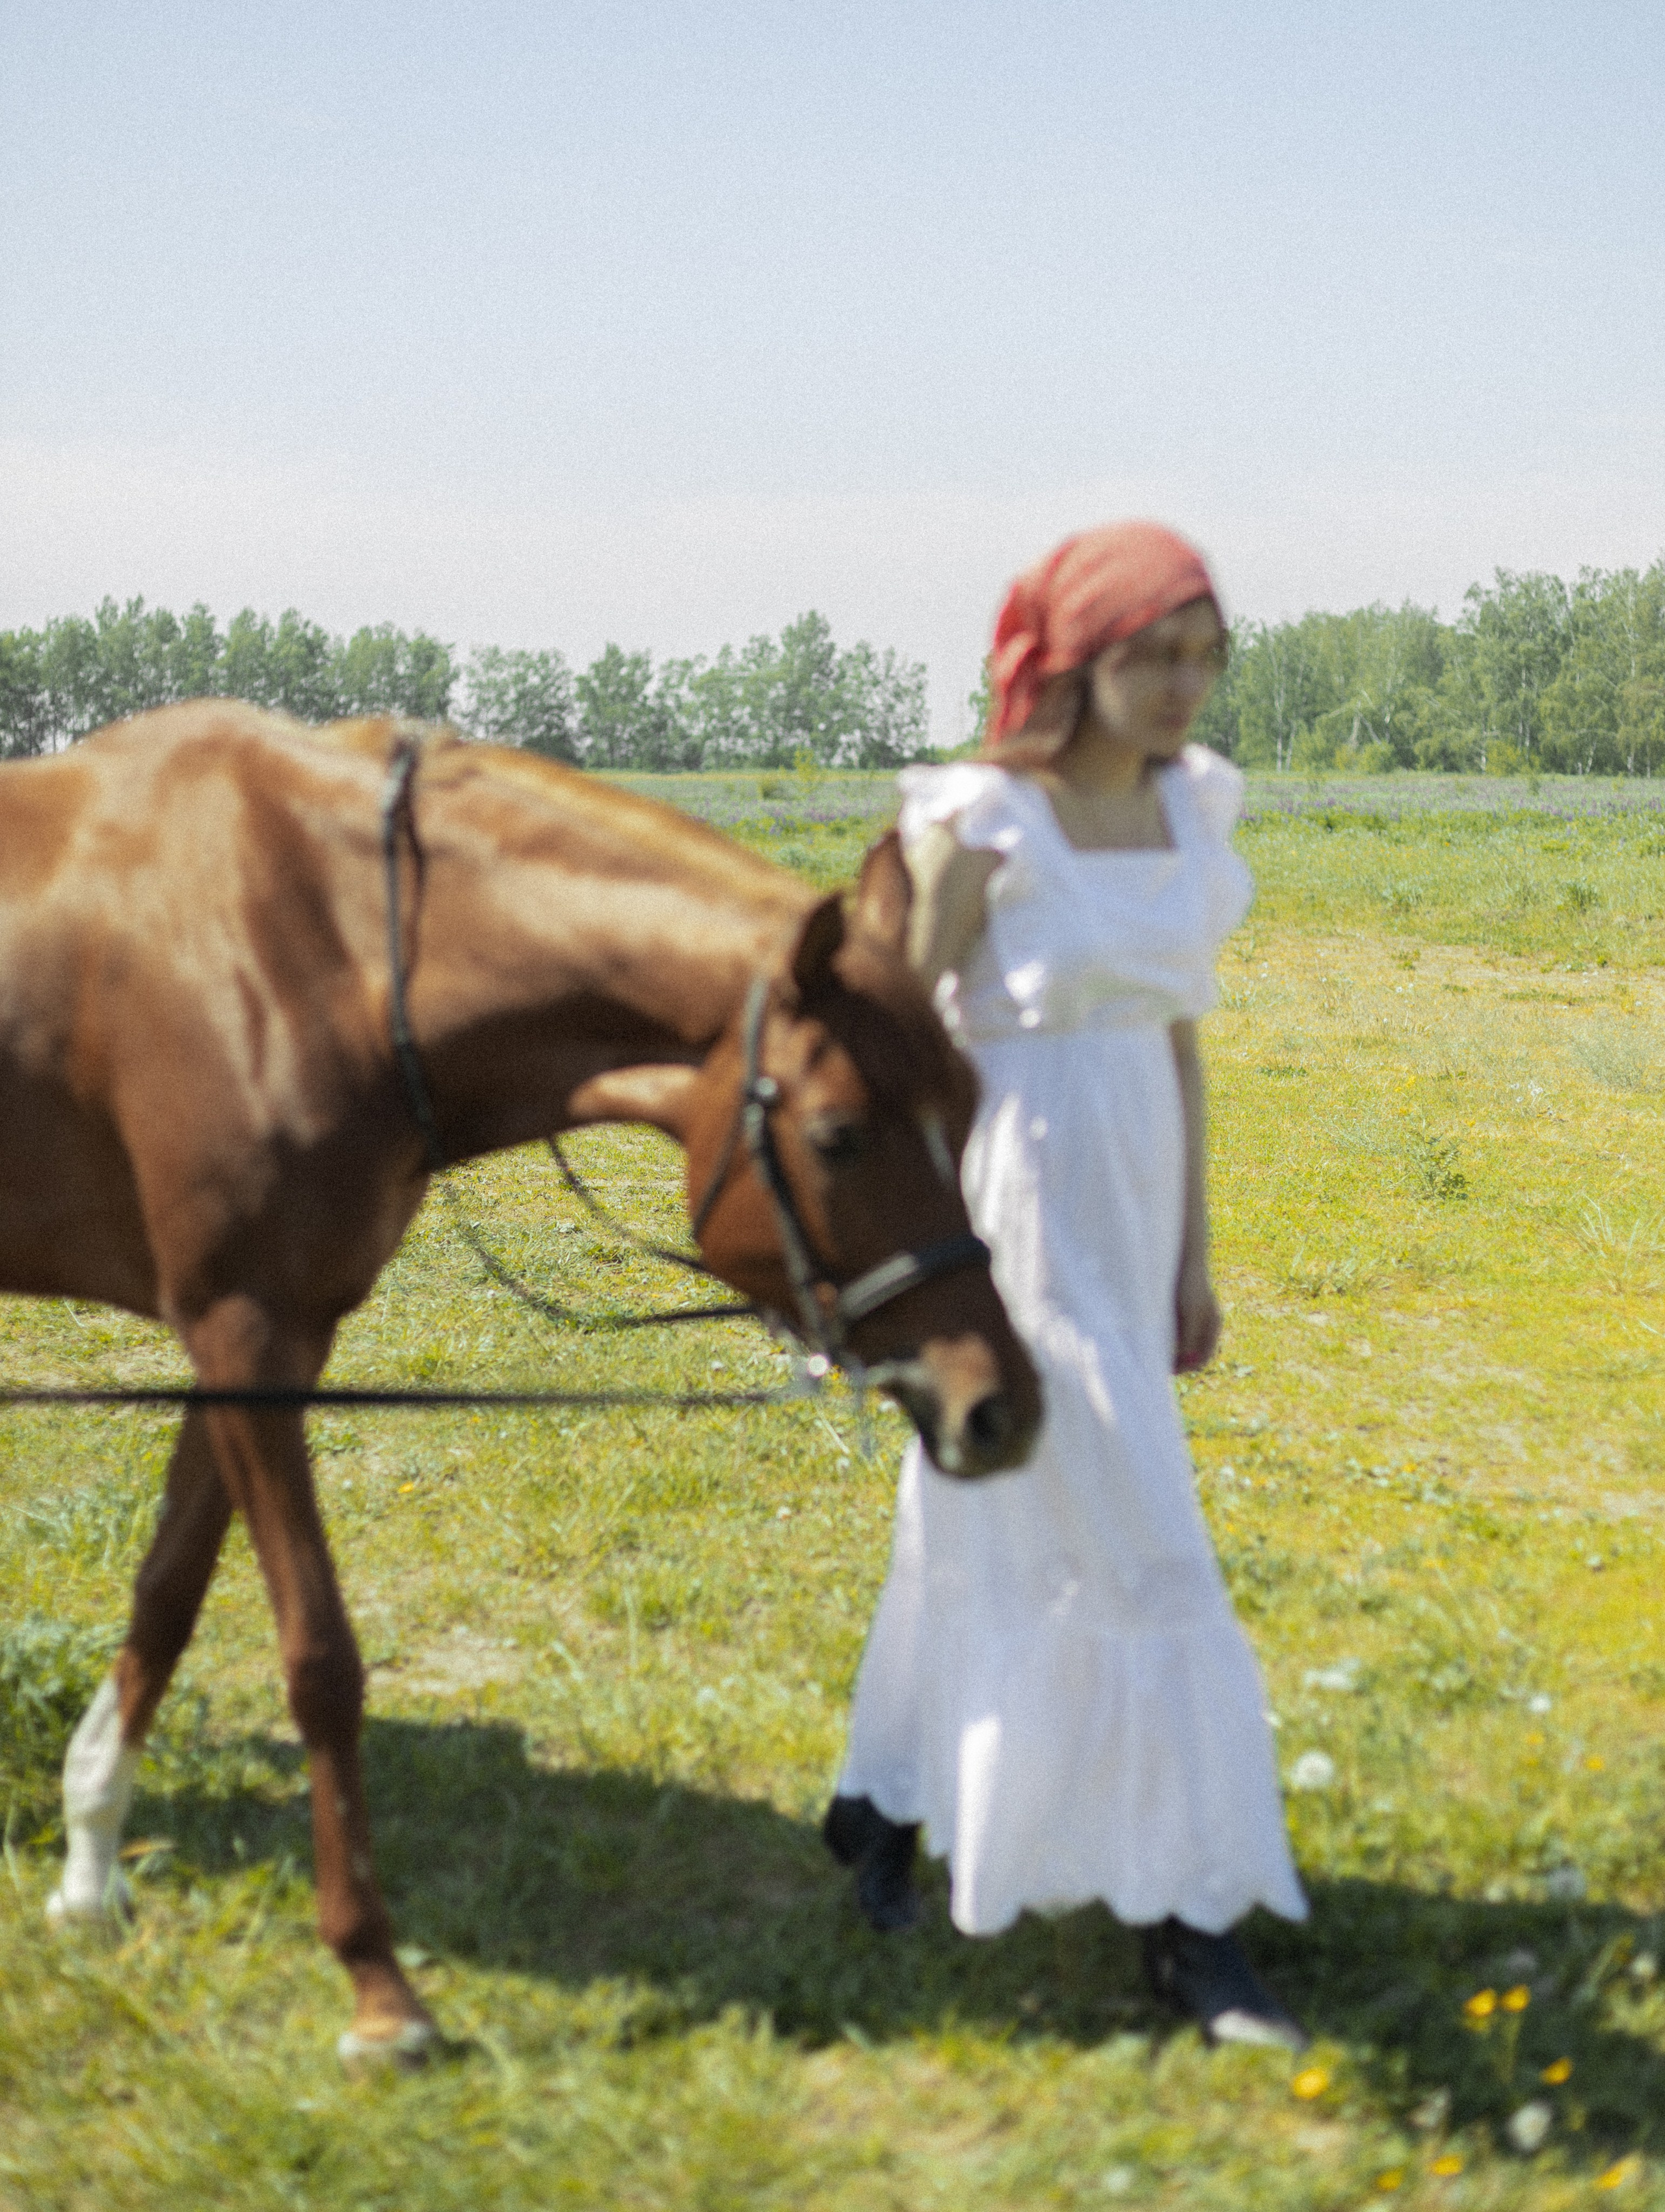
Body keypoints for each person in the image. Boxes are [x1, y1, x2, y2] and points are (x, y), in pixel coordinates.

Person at [823, 522, 1308, 2048]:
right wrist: (903, 1263)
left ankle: (880, 1803)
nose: (1180, 687)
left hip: (1134, 1182)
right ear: (1076, 665)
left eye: (1201, 656)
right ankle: (1190, 1932)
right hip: (1011, 1195)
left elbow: (1173, 1031)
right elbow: (900, 1039)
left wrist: (1191, 1251)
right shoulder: (983, 820)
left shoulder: (1190, 809)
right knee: (1130, 1525)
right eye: (1149, 656)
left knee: (982, 1507)